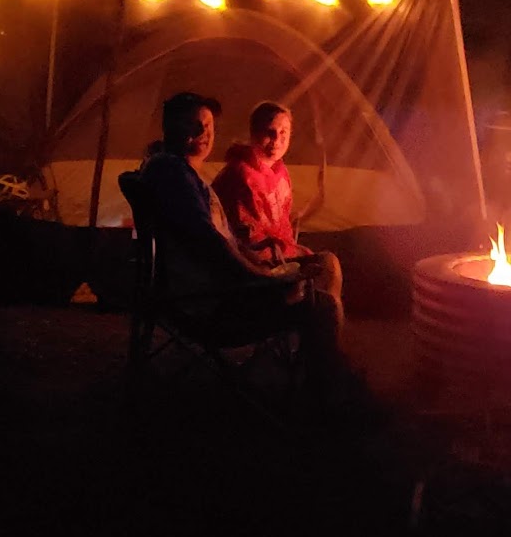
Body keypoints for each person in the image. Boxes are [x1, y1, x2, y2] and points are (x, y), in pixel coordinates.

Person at [124, 91, 350, 392]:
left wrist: (255, 262)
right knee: (322, 305)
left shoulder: (178, 173)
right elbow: (209, 245)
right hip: (214, 303)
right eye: (192, 125)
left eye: (208, 126)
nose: (203, 134)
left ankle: (325, 380)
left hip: (216, 290)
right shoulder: (173, 174)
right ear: (169, 128)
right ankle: (329, 393)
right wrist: (259, 276)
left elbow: (219, 240)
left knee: (321, 271)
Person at [212, 101, 344, 315]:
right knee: (327, 265)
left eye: (283, 133)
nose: (276, 140)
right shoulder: (241, 175)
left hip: (278, 253)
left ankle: (314, 321)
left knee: (325, 269)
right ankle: (312, 323)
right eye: (269, 132)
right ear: (254, 133)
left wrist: (293, 248)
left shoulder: (279, 172)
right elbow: (246, 236)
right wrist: (289, 258)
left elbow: (281, 222)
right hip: (254, 263)